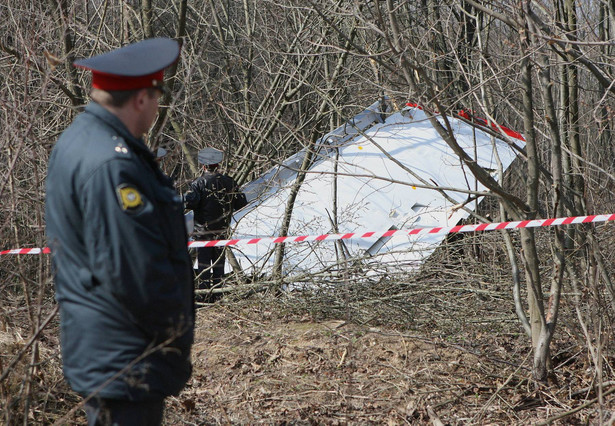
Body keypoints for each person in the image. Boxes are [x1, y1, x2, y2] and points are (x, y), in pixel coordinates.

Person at [45, 38, 194, 425]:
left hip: (108, 352)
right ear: (142, 99)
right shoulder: (113, 165)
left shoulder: (79, 140)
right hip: (127, 357)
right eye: (157, 96)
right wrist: (174, 337)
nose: (158, 107)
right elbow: (135, 270)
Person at [184, 147, 247, 295]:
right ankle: (218, 296)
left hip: (203, 232)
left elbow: (189, 203)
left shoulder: (198, 183)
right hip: (222, 230)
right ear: (218, 165)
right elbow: (241, 203)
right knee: (219, 265)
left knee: (204, 266)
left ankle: (205, 297)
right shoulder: (229, 182)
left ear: (203, 166)